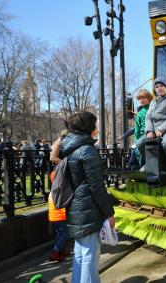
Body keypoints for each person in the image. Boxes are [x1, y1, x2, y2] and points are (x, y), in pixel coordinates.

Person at [61, 111, 114, 283]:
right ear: (89, 127)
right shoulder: (87, 151)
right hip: (88, 209)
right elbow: (97, 187)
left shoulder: (70, 148)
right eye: (95, 125)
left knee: (80, 255)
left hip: (76, 208)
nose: (97, 129)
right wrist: (109, 212)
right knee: (90, 257)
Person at [139, 78, 166, 171]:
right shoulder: (153, 102)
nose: (159, 88)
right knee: (140, 143)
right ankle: (149, 163)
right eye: (157, 87)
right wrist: (150, 130)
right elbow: (148, 117)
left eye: (161, 86)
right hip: (154, 130)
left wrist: (161, 129)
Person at [134, 89, 153, 169]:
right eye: (139, 99)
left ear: (149, 98)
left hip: (150, 133)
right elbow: (137, 128)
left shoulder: (152, 109)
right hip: (142, 136)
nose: (141, 100)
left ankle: (147, 164)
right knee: (137, 151)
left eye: (144, 98)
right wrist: (136, 140)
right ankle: (143, 165)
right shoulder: (140, 113)